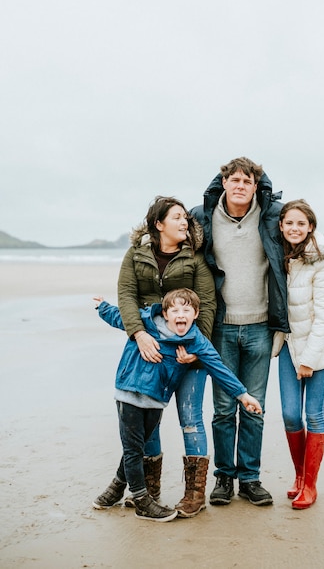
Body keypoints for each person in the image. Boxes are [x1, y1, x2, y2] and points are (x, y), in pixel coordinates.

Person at [93, 288, 263, 522]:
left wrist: (243, 395)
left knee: (138, 445)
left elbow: (219, 368)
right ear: (165, 313)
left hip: (155, 401)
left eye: (186, 310)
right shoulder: (146, 322)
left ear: (196, 314)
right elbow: (119, 317)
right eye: (175, 310)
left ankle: (114, 489)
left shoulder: (196, 342)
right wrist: (103, 306)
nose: (180, 314)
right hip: (128, 393)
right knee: (134, 449)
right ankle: (142, 500)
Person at [95, 196, 217, 517]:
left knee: (191, 418)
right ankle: (147, 491)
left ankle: (194, 495)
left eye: (186, 219)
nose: (185, 223)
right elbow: (126, 296)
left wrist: (194, 347)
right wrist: (139, 333)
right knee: (149, 421)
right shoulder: (136, 255)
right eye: (177, 217)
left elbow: (207, 302)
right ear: (159, 224)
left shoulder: (195, 258)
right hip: (148, 350)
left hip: (187, 353)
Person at [191, 157, 290, 507]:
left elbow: (305, 237)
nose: (240, 186)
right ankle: (223, 478)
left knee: (254, 406)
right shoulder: (201, 216)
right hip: (220, 327)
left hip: (261, 326)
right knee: (222, 408)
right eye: (234, 179)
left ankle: (250, 478)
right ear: (224, 182)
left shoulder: (272, 214)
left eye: (247, 181)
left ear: (255, 185)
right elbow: (171, 246)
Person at [274, 199, 324, 509]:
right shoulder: (280, 255)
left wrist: (309, 360)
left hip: (321, 346)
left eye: (301, 224)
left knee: (313, 414)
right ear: (280, 226)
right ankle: (298, 475)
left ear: (311, 228)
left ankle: (310, 484)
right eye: (289, 223)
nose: (295, 228)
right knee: (290, 413)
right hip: (289, 344)